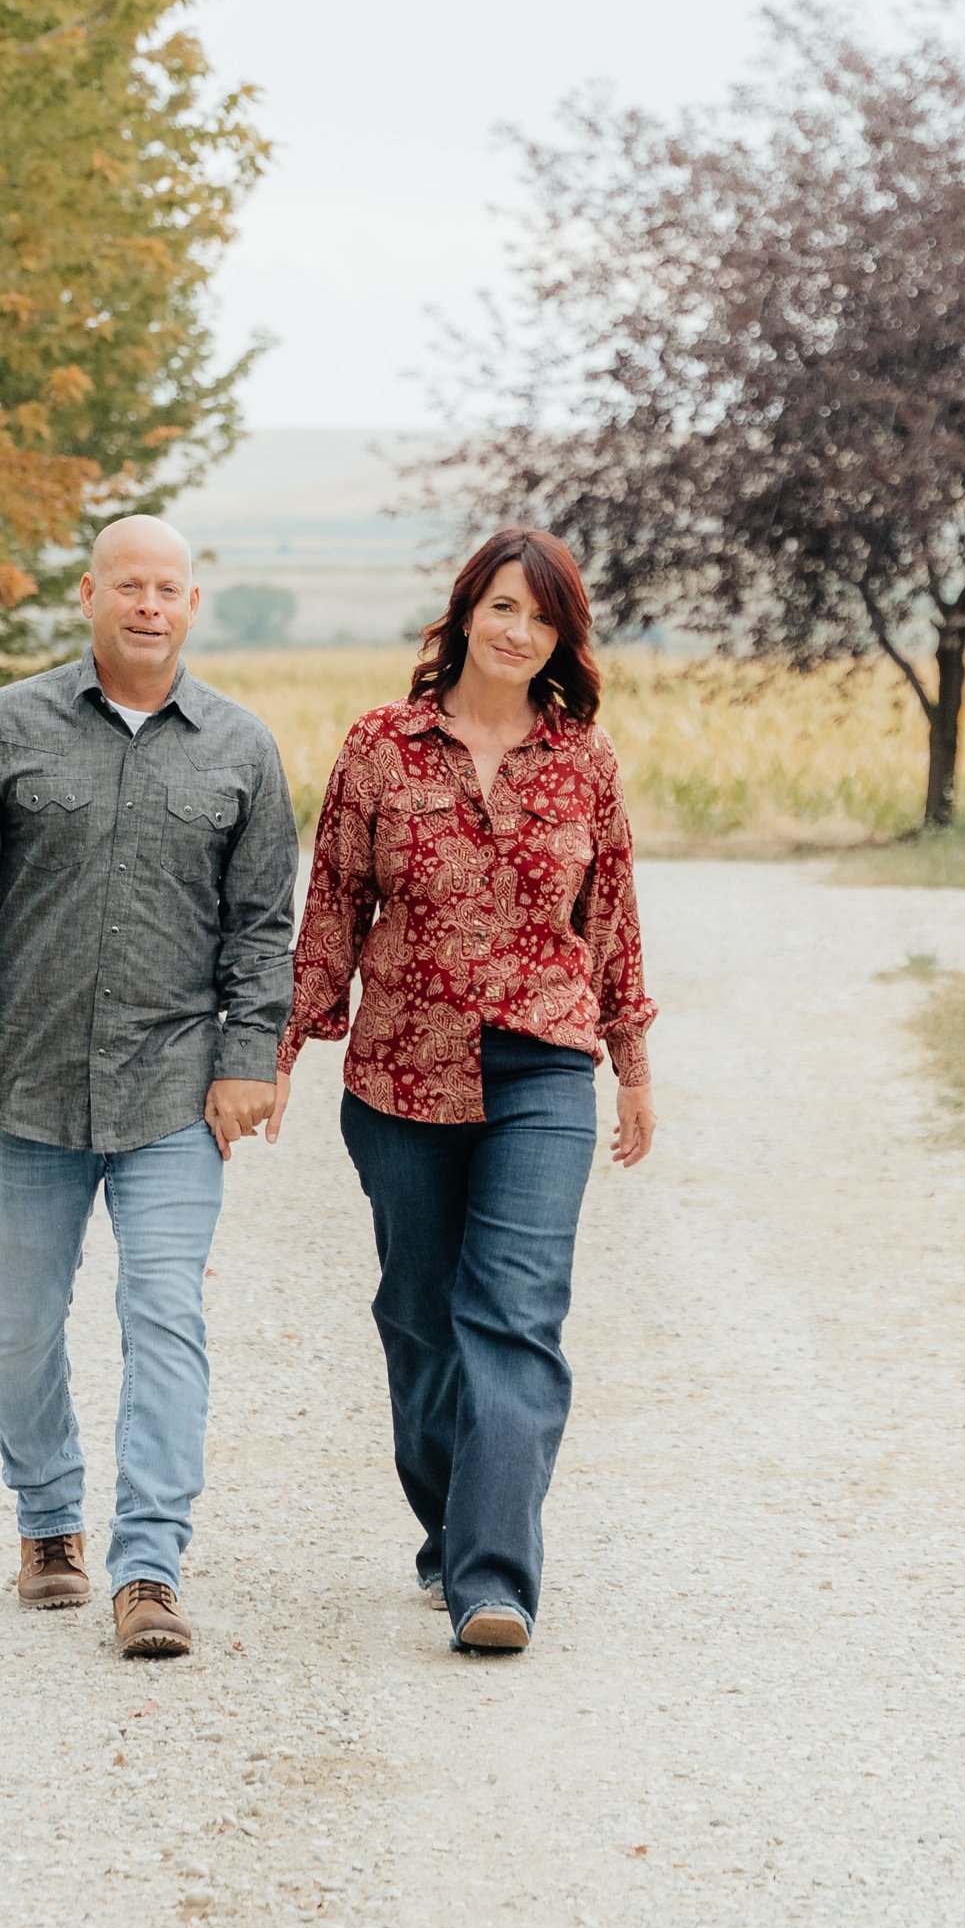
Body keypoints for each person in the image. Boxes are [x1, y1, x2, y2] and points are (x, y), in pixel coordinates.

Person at [0, 517, 298, 1659]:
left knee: (164, 1314)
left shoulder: (240, 748)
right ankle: (47, 1523)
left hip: (174, 1091)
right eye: (129, 584)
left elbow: (264, 930)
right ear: (90, 595)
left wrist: (246, 1058)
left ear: (191, 604)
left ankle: (150, 1569)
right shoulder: (9, 726)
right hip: (30, 1087)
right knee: (20, 1323)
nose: (148, 606)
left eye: (169, 588)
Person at [271, 527, 655, 1654]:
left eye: (537, 618)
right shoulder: (383, 745)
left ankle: (493, 1579)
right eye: (499, 607)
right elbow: (333, 902)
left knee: (514, 1316)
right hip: (400, 1070)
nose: (514, 631)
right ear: (464, 614)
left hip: (542, 1059)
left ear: (558, 640)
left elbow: (614, 918)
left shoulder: (584, 758)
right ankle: (452, 1526)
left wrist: (630, 1066)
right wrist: (282, 1054)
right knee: (419, 1319)